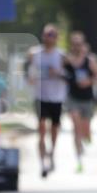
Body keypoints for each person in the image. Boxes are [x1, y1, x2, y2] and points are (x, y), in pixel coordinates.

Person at [25, 24, 68, 178]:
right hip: (40, 96)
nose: (48, 38)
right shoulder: (34, 54)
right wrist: (29, 77)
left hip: (57, 97)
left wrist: (57, 73)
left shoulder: (61, 56)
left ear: (56, 38)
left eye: (51, 35)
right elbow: (26, 70)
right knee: (41, 128)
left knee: (54, 129)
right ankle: (42, 162)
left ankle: (52, 152)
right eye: (46, 35)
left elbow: (69, 76)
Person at [64, 31, 97, 173]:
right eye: (74, 44)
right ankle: (78, 160)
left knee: (85, 130)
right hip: (73, 98)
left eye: (79, 44)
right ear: (71, 45)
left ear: (83, 44)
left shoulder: (89, 60)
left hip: (87, 98)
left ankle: (87, 137)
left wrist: (88, 82)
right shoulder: (67, 60)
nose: (77, 46)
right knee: (76, 127)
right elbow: (62, 74)